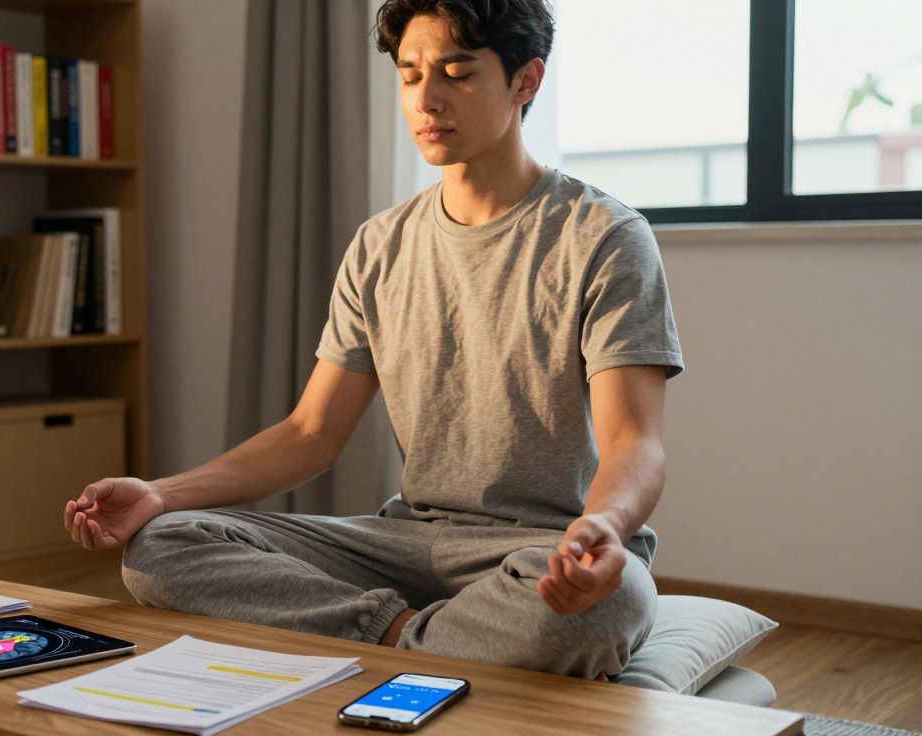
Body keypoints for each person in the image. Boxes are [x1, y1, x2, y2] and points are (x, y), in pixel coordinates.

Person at [62, 0, 684, 680]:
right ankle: (407, 636)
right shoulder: (380, 244)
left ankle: (397, 639)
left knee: (614, 601)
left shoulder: (604, 238)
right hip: (403, 542)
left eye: (457, 73)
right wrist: (160, 493)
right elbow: (310, 433)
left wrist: (605, 527)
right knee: (163, 546)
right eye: (410, 75)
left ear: (526, 81)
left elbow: (634, 440)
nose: (427, 99)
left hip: (544, 550)